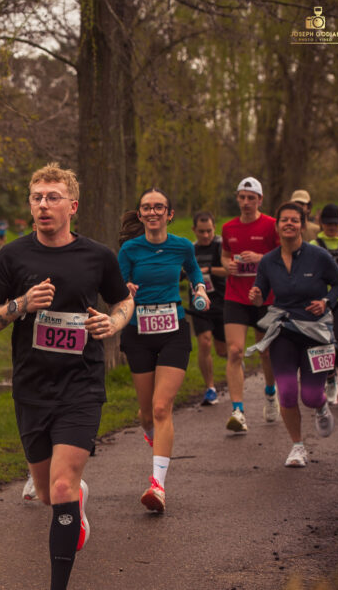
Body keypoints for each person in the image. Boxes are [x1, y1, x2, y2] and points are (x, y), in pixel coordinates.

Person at [0, 162, 133, 590]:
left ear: (72, 206)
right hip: (31, 388)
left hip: (81, 384)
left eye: (53, 197)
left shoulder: (98, 257)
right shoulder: (12, 256)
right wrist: (21, 304)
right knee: (48, 493)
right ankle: (76, 502)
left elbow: (123, 302)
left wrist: (112, 325)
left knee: (62, 484)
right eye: (37, 197)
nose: (43, 205)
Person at [118, 188, 209, 513]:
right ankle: (154, 437)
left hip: (173, 330)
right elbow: (117, 286)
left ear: (169, 214)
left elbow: (194, 271)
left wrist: (199, 288)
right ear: (140, 215)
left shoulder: (182, 246)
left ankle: (157, 486)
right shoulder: (129, 249)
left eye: (159, 207)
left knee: (161, 408)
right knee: (146, 415)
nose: (153, 212)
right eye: (147, 208)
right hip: (138, 333)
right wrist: (124, 289)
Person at [246, 202, 338, 467]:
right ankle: (297, 446)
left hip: (315, 333)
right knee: (288, 393)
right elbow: (260, 295)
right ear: (277, 225)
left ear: (302, 224)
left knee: (311, 396)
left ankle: (322, 405)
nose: (289, 224)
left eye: (294, 220)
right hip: (284, 330)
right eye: (284, 220)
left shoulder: (319, 256)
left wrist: (326, 301)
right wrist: (256, 297)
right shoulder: (268, 261)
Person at [220, 176, 279, 432]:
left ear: (260, 200)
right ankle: (238, 410)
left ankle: (270, 392)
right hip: (235, 296)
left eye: (251, 198)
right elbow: (224, 255)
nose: (245, 202)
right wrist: (227, 266)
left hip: (266, 298)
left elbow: (283, 257)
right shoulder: (228, 228)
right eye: (242, 197)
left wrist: (260, 258)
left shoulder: (271, 225)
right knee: (235, 351)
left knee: (266, 352)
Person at [311, 203, 338, 404]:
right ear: (321, 223)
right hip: (321, 302)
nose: (332, 227)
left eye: (336, 223)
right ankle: (330, 382)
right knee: (323, 342)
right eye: (328, 223)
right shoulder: (313, 245)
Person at [188, 211, 228, 405]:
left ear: (214, 228)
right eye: (201, 231)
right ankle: (210, 388)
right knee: (204, 342)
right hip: (199, 304)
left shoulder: (220, 245)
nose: (205, 235)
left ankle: (236, 365)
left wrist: (207, 270)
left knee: (223, 350)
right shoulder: (190, 249)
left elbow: (229, 269)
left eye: (209, 231)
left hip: (220, 302)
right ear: (194, 230)